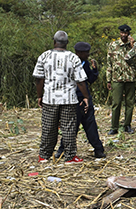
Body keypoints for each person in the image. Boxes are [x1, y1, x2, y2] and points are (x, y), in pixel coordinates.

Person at [33, 31, 89, 164]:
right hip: (68, 99)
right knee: (68, 128)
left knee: (48, 127)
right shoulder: (73, 58)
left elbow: (39, 80)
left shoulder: (44, 56)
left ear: (54, 41)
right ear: (67, 43)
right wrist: (85, 97)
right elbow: (80, 81)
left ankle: (44, 156)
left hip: (49, 98)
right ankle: (70, 156)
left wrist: (39, 96)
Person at [56, 42, 106, 159]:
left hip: (85, 98)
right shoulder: (70, 63)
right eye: (86, 53)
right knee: (72, 127)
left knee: (90, 125)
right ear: (79, 53)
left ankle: (98, 149)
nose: (88, 55)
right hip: (75, 98)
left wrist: (95, 70)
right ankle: (62, 150)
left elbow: (90, 79)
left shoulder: (85, 63)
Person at [106, 24, 136, 135]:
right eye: (122, 33)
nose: (124, 35)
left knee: (130, 103)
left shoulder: (133, 46)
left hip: (130, 78)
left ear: (129, 33)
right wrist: (108, 80)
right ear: (119, 33)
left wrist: (133, 46)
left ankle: (127, 125)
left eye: (126, 33)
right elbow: (109, 63)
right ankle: (114, 126)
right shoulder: (113, 45)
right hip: (117, 79)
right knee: (116, 103)